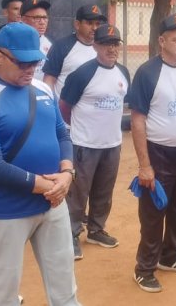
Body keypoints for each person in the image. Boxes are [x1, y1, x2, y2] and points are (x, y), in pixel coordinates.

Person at [0, 22, 80, 306]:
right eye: (23, 62)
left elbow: (62, 133)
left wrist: (67, 173)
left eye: (35, 61)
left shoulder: (43, 89)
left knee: (65, 286)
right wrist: (47, 186)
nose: (30, 69)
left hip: (52, 203)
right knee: (4, 292)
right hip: (6, 211)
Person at [127, 14, 176, 293]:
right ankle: (144, 267)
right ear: (162, 41)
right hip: (158, 154)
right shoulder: (148, 73)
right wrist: (145, 165)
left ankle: (170, 256)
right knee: (153, 212)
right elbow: (138, 120)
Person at [60, 24, 130, 259]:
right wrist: (79, 131)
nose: (112, 48)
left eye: (115, 44)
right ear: (96, 45)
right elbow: (64, 107)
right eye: (106, 44)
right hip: (84, 144)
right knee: (78, 193)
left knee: (104, 190)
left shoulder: (123, 72)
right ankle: (71, 234)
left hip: (112, 143)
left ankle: (96, 229)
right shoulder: (82, 74)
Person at [43, 4, 107, 99]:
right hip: (63, 110)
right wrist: (51, 106)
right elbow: (49, 80)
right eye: (89, 23)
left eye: (97, 24)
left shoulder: (104, 48)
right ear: (77, 24)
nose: (94, 28)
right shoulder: (61, 46)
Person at [20, 0, 53, 80]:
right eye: (37, 18)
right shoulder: (14, 42)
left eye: (45, 18)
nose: (42, 22)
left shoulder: (50, 45)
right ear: (24, 20)